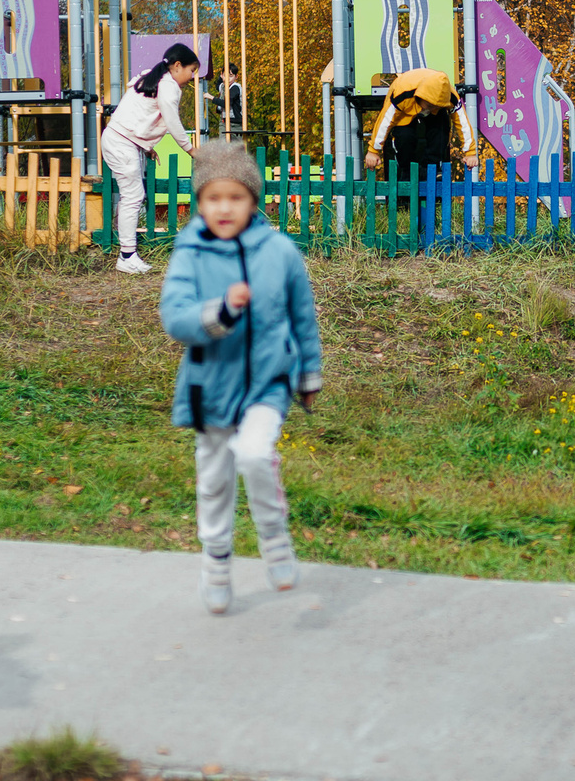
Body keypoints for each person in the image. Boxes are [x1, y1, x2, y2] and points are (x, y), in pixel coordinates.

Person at [159, 142, 324, 616]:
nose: (224, 207)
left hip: (268, 381)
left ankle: (274, 539)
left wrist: (309, 374)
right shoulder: (190, 250)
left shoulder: (280, 251)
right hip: (210, 385)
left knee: (254, 454)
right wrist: (222, 312)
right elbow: (175, 317)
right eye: (213, 198)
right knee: (213, 482)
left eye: (235, 197)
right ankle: (215, 562)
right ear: (200, 202)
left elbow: (302, 315)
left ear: (254, 200)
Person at [102, 40, 203, 275]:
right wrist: (190, 150)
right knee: (133, 195)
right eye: (191, 70)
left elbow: (137, 112)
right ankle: (126, 256)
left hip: (123, 140)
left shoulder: (153, 78)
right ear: (177, 66)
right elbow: (173, 122)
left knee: (132, 196)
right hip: (121, 142)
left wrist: (146, 145)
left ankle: (128, 253)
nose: (191, 77)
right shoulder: (168, 86)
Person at [364, 67, 478, 174]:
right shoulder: (401, 93)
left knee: (441, 131)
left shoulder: (450, 96)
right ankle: (406, 171)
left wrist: (470, 152)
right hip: (406, 110)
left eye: (436, 106)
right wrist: (373, 150)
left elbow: (462, 122)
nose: (430, 109)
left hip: (437, 115)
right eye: (429, 105)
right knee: (404, 136)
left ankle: (433, 168)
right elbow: (385, 121)